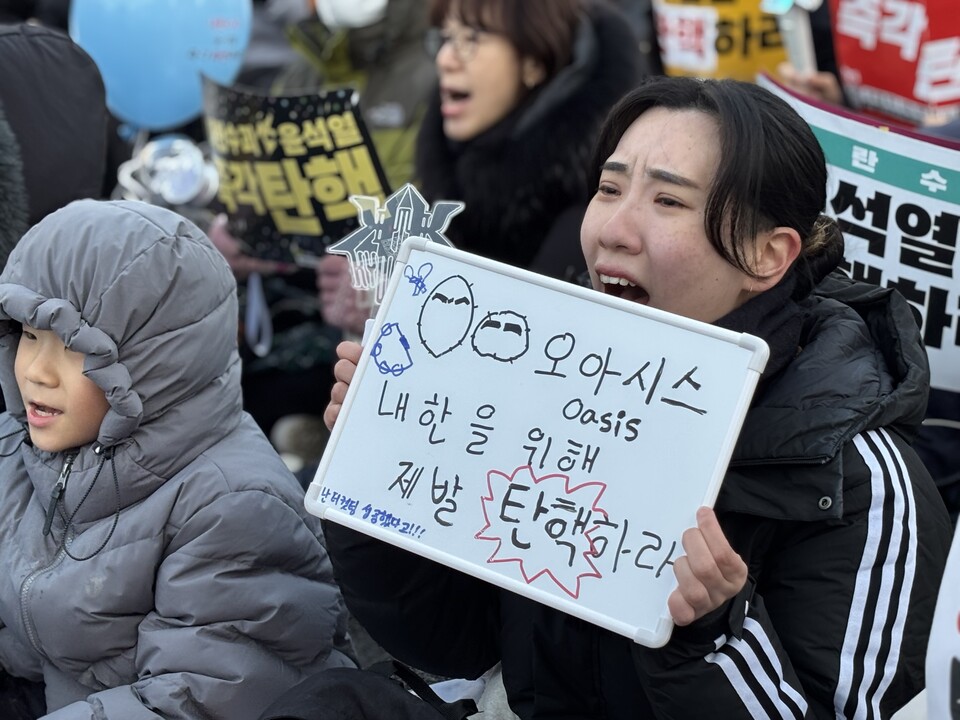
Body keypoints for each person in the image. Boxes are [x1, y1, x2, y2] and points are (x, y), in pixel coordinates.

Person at [319, 76, 953, 718]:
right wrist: (378, 471)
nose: (613, 232)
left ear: (769, 255)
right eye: (609, 188)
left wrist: (709, 636)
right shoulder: (541, 379)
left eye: (669, 202)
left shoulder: (859, 482)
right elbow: (454, 640)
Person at [0, 199, 354, 719]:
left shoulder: (234, 508)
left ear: (154, 361)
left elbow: (203, 698)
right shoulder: (26, 448)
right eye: (29, 336)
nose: (36, 371)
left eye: (76, 349)